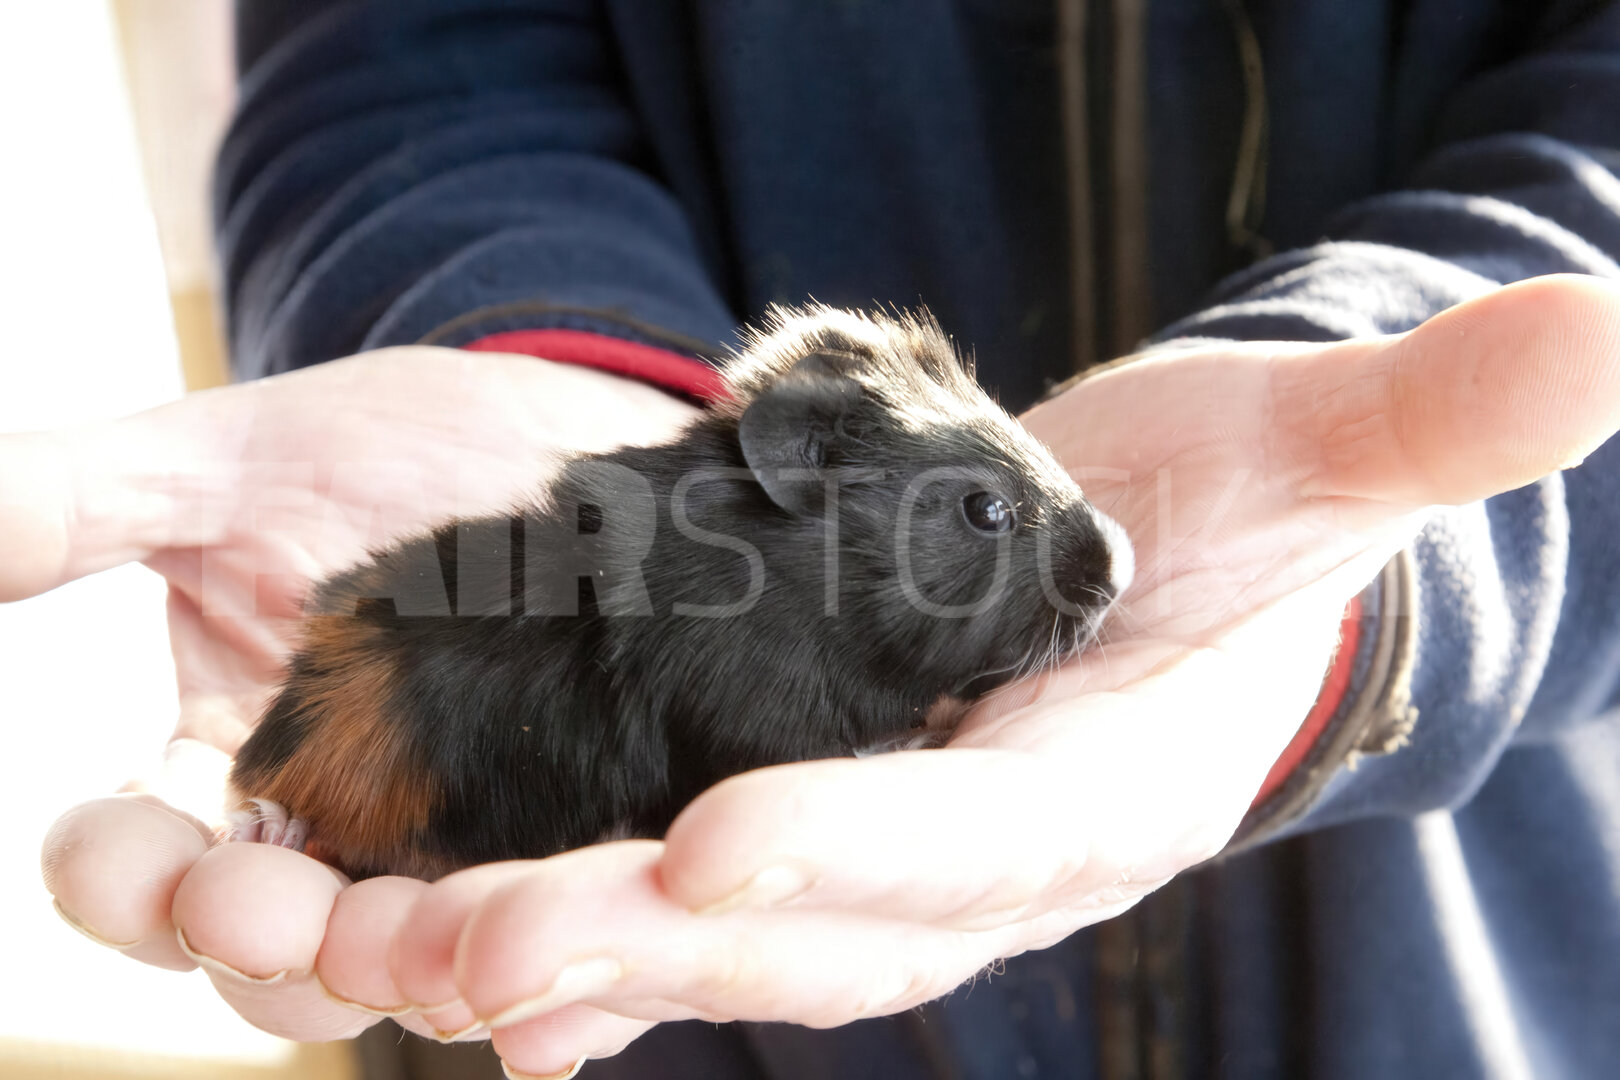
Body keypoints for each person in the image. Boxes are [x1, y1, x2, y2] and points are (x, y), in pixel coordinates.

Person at [14, 1, 1620, 1076]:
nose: (1083, 564)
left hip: (1463, 986)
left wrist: (1379, 552)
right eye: (984, 512)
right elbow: (403, 62)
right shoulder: (698, 613)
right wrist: (501, 330)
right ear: (802, 486)